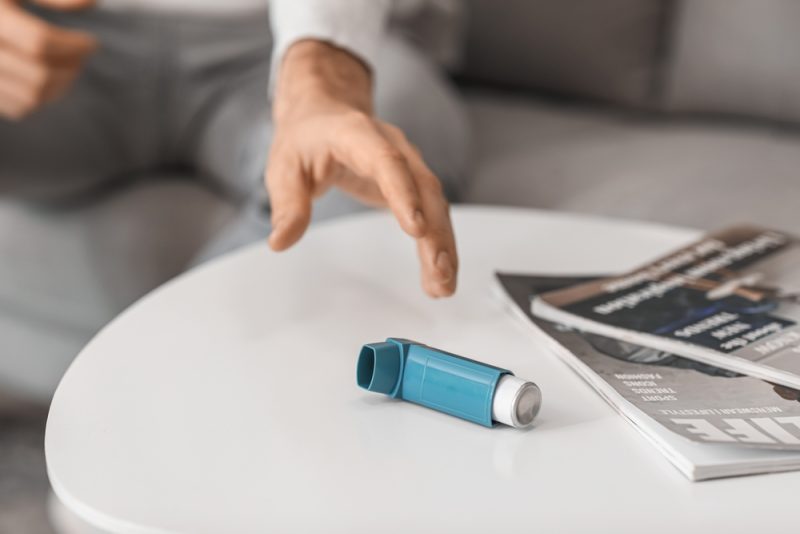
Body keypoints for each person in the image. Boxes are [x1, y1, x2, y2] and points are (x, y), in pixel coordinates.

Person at [0, 0, 466, 302]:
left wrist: (321, 77)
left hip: (277, 35)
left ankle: (168, 392)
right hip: (58, 34)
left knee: (375, 150)